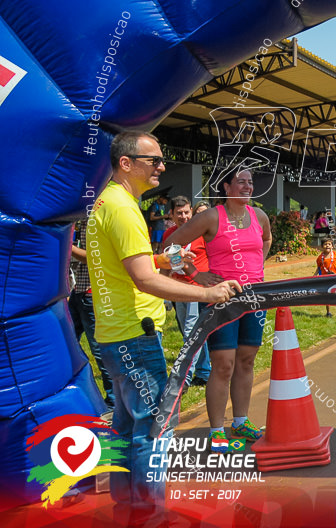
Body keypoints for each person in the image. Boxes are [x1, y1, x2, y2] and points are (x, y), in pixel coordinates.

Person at [88, 132, 241, 525]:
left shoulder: (108, 202)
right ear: (126, 163)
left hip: (113, 335)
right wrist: (209, 294)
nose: (161, 166)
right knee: (155, 429)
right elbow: (144, 280)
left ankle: (130, 510)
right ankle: (152, 515)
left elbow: (134, 264)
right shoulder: (123, 208)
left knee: (126, 430)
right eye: (153, 160)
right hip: (135, 337)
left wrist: (165, 259)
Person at [165, 167, 272, 449]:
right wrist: (194, 275)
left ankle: (240, 421)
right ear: (226, 186)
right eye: (241, 182)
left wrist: (257, 268)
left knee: (247, 361)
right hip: (221, 302)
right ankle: (216, 430)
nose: (248, 187)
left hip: (254, 299)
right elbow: (169, 246)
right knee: (223, 365)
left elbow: (267, 240)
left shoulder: (259, 216)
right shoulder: (212, 216)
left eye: (250, 182)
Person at [164, 195, 218, 388]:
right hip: (178, 289)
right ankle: (204, 372)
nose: (184, 216)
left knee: (191, 333)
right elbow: (167, 260)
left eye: (187, 212)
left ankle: (184, 379)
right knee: (192, 332)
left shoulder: (201, 234)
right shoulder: (170, 234)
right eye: (179, 213)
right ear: (171, 214)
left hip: (197, 290)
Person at [68, 219, 114, 414]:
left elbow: (91, 257)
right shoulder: (83, 222)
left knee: (99, 348)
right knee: (67, 341)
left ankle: (113, 400)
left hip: (90, 292)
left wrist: (65, 246)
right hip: (80, 290)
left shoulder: (96, 221)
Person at [315, 240, 336, 317]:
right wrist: (315, 275)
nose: (327, 246)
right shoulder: (320, 258)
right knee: (327, 294)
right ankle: (328, 312)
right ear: (322, 246)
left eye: (329, 244)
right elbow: (318, 267)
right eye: (325, 244)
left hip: (335, 277)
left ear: (332, 246)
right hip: (325, 279)